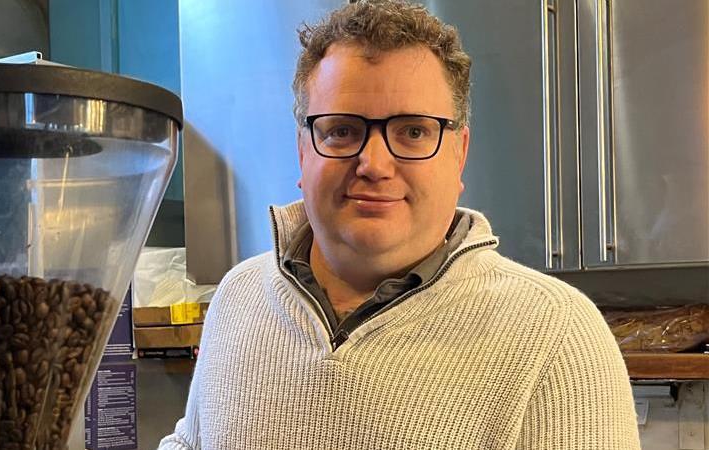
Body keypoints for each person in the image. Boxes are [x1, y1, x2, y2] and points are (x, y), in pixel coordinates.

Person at [159, 1, 641, 448]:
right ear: (303, 150)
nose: (374, 163)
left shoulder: (557, 336)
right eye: (342, 129)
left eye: (412, 131)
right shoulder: (237, 298)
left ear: (460, 153)